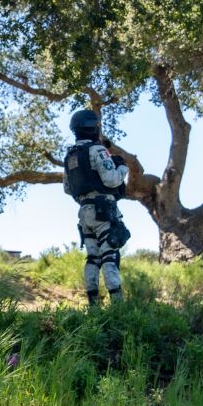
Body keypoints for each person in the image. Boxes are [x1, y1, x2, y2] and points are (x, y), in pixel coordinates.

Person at [62, 108, 130, 306]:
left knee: (92, 259)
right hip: (103, 210)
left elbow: (67, 188)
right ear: (92, 126)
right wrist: (122, 167)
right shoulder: (97, 150)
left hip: (84, 213)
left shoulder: (69, 156)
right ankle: (118, 308)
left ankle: (94, 308)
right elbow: (111, 180)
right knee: (109, 256)